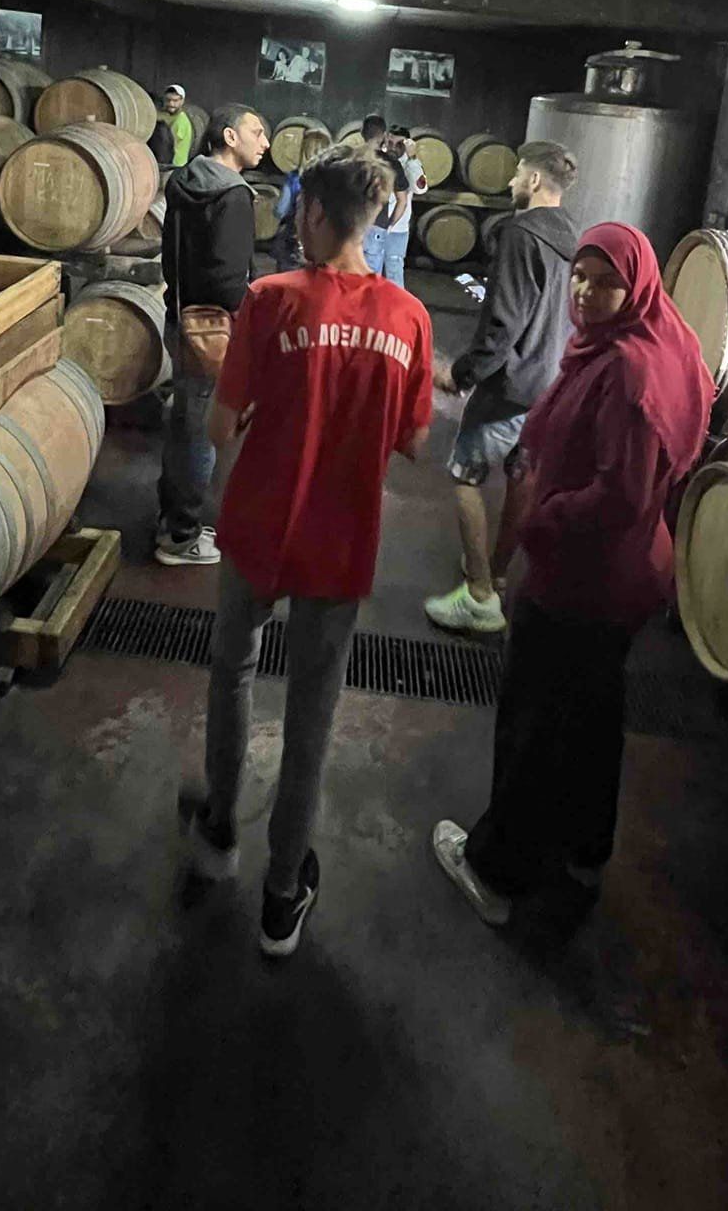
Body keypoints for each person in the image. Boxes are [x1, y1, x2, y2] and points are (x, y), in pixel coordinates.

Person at [180, 145, 433, 956]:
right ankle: (283, 893)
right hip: (341, 535)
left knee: (234, 672)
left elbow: (220, 426)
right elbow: (415, 442)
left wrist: (257, 404)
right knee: (312, 713)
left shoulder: (269, 299)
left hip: (259, 523)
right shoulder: (410, 317)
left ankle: (219, 831)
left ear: (316, 213)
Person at [432, 223, 714, 930]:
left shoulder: (628, 372)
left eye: (605, 282)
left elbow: (620, 498)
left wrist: (541, 521)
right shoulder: (659, 341)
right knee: (590, 719)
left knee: (533, 723)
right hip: (631, 573)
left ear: (636, 285)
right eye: (580, 277)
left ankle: (496, 872)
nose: (585, 293)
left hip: (585, 580)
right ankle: (584, 850)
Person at [424, 141, 579, 636]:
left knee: (464, 477)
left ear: (534, 181)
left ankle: (478, 595)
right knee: (521, 479)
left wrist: (461, 375)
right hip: (549, 384)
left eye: (517, 174)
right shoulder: (574, 234)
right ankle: (498, 574)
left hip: (509, 386)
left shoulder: (521, 233)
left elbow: (501, 324)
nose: (511, 181)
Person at [156, 102, 271, 565]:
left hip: (181, 318)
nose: (265, 143)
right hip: (215, 329)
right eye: (257, 132)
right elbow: (229, 281)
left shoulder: (184, 181)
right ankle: (181, 537)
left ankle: (171, 518)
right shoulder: (234, 195)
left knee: (184, 423)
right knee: (200, 430)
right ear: (229, 136)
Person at [359, 115, 418, 281]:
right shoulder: (391, 163)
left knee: (348, 278)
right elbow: (402, 201)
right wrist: (389, 224)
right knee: (371, 281)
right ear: (384, 135)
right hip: (377, 227)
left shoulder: (350, 159)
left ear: (361, 133)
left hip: (352, 226)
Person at [148, 83, 196, 170]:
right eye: (168, 100)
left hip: (174, 167)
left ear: (182, 101)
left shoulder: (181, 121)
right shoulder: (172, 117)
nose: (171, 104)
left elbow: (166, 145)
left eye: (175, 101)